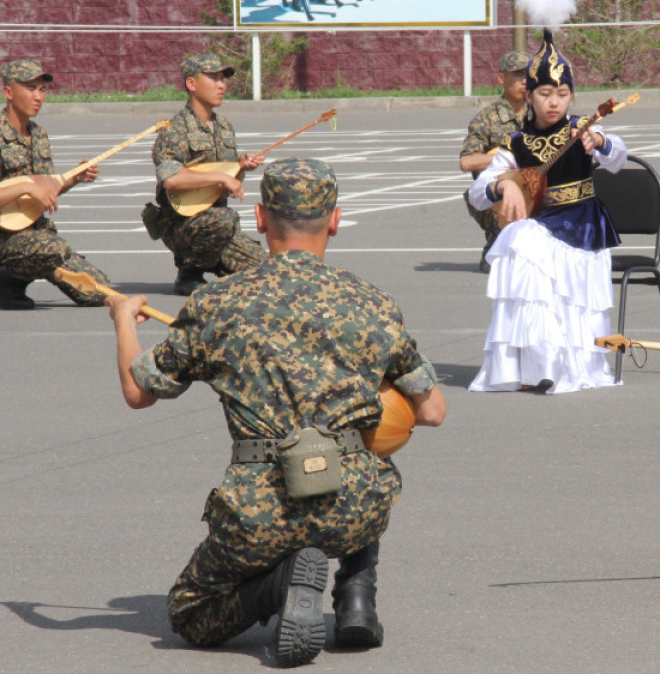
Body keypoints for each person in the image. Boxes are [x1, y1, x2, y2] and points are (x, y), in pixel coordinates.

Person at [106, 158, 446, 665]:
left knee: (190, 615)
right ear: (334, 219)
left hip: (262, 506)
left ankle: (277, 588)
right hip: (353, 506)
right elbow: (434, 411)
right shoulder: (373, 303)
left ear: (261, 219)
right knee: (369, 448)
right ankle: (356, 599)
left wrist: (123, 320)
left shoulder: (217, 302)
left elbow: (140, 391)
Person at [467, 29, 626, 394]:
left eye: (562, 93)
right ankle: (529, 365)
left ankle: (563, 364)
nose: (554, 102)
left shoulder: (582, 129)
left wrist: (600, 141)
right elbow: (478, 191)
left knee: (521, 240)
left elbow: (618, 155)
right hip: (543, 227)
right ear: (529, 94)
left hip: (583, 227)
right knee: (519, 239)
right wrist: (504, 184)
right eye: (545, 93)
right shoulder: (516, 144)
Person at [0, 59, 111, 310]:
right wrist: (24, 188)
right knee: (50, 250)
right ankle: (5, 279)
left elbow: (44, 188)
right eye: (31, 88)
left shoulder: (39, 135)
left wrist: (74, 178)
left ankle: (23, 272)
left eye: (42, 89)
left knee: (99, 291)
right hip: (1, 236)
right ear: (9, 92)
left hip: (38, 232)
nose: (38, 96)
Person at [144, 54, 269, 296]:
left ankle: (221, 266)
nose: (222, 85)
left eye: (223, 79)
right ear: (191, 84)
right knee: (225, 219)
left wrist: (239, 168)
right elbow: (172, 180)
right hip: (182, 224)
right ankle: (189, 271)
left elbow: (228, 186)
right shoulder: (175, 130)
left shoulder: (223, 127)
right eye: (213, 78)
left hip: (216, 223)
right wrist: (223, 178)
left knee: (267, 275)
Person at [459, 49, 529, 273]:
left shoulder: (542, 113)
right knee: (499, 264)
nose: (525, 81)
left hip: (537, 189)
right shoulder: (487, 119)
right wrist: (507, 158)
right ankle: (496, 239)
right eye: (518, 75)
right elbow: (467, 162)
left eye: (530, 74)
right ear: (501, 78)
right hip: (498, 196)